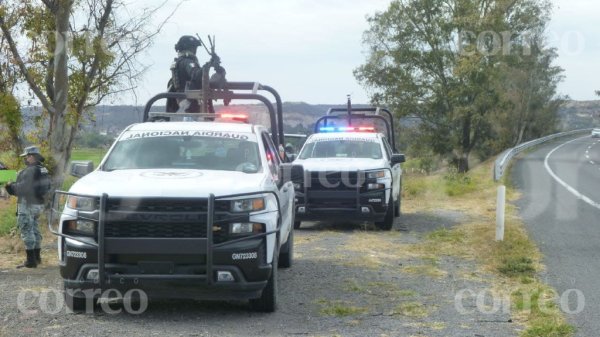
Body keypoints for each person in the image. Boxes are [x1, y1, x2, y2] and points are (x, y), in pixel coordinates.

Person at [4, 146, 47, 268]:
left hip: (27, 204)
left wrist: (10, 185)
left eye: (26, 156)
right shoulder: (43, 169)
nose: (25, 159)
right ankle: (37, 258)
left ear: (32, 156)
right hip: (38, 204)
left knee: (27, 230)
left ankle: (31, 261)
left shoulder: (30, 171)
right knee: (34, 229)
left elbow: (23, 188)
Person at [166, 35, 227, 113]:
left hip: (184, 99)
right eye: (194, 47)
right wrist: (209, 65)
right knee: (196, 121)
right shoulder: (187, 62)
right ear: (190, 48)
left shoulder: (179, 61)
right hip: (190, 100)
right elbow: (197, 76)